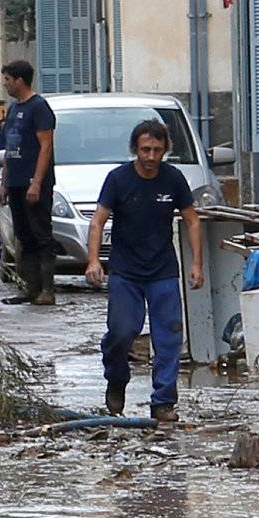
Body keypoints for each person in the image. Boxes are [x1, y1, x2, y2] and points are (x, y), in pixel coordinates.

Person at [84, 117, 205, 428]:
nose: (151, 157)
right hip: (126, 271)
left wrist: (196, 264)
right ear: (135, 149)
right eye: (145, 150)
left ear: (165, 151)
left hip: (163, 269)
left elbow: (192, 220)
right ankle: (116, 380)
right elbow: (97, 221)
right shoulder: (118, 180)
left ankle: (164, 402)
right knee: (122, 333)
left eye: (157, 151)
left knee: (168, 338)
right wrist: (93, 260)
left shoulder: (173, 179)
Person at [0, 61, 56, 305]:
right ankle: (30, 287)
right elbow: (10, 148)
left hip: (34, 183)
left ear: (20, 80)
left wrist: (37, 183)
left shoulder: (39, 108)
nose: (5, 84)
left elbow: (46, 146)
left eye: (8, 80)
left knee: (41, 234)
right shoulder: (12, 109)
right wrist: (5, 183)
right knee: (23, 235)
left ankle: (47, 289)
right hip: (17, 182)